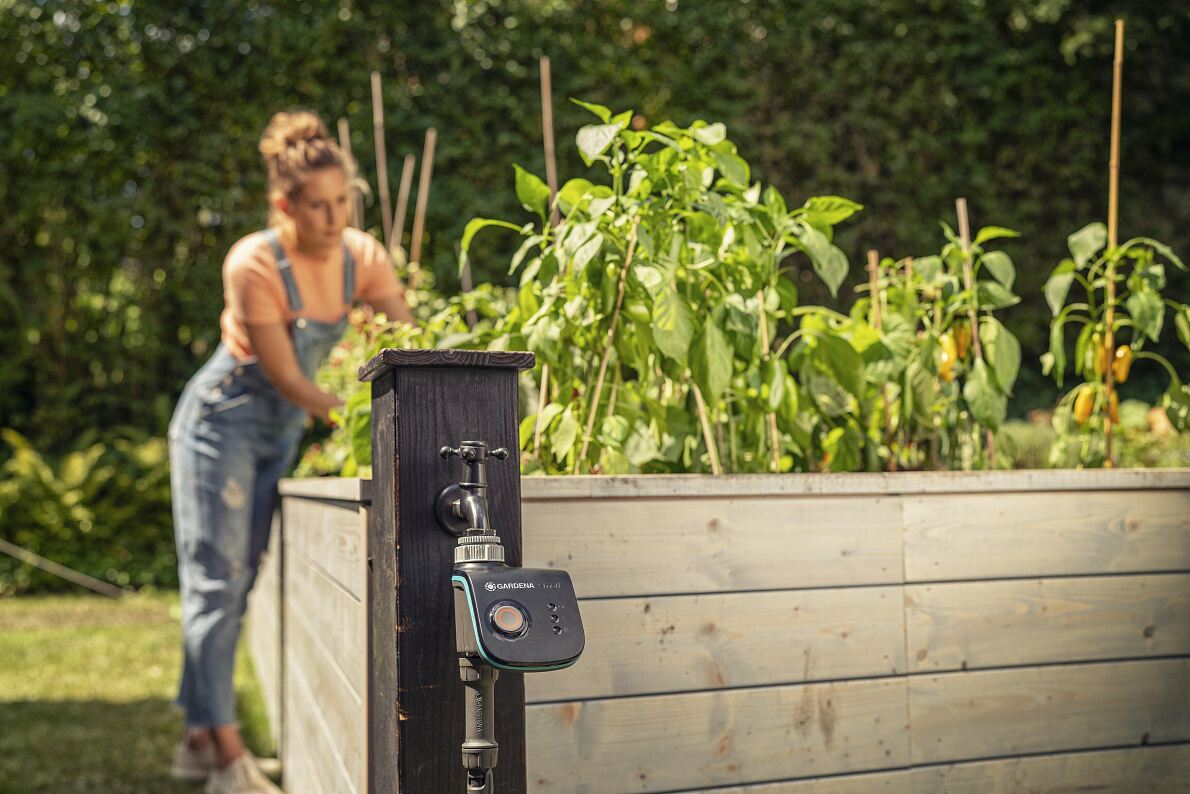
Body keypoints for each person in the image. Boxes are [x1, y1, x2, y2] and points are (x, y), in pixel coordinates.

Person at [167, 110, 415, 794]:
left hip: (278, 434)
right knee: (216, 582)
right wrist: (368, 413)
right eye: (318, 205)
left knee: (238, 581)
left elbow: (410, 337)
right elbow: (292, 381)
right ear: (284, 206)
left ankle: (195, 736)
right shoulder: (254, 263)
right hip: (221, 426)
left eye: (343, 202)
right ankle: (224, 759)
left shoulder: (360, 256)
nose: (335, 217)